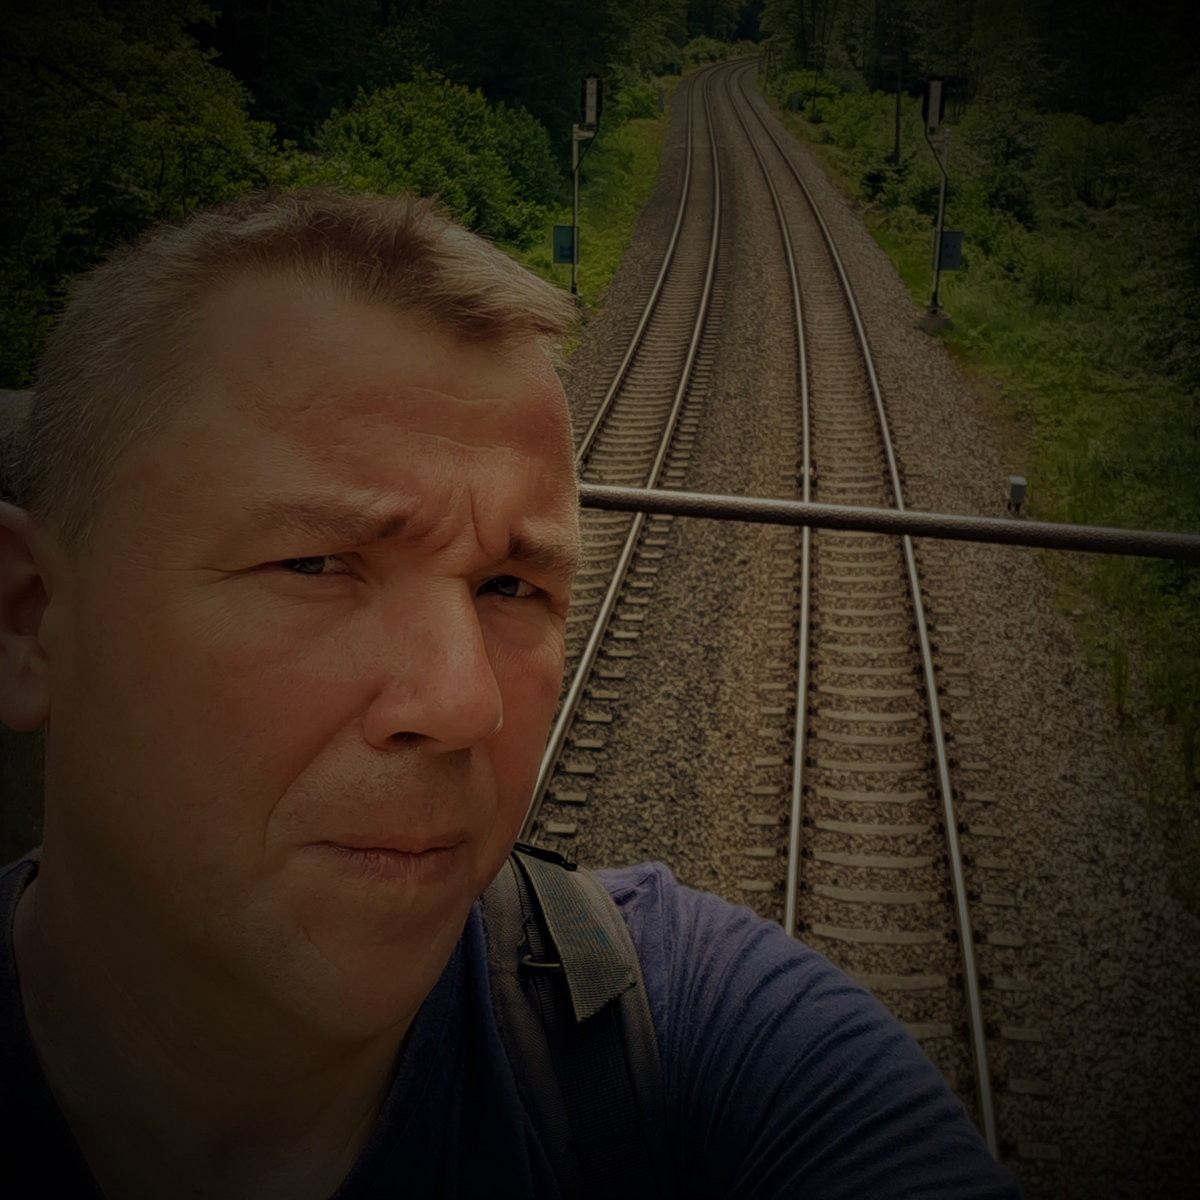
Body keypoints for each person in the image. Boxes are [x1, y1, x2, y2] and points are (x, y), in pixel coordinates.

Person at [0, 189, 1021, 1199]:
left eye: (509, 587)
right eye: (315, 565)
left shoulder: (711, 1039)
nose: (464, 701)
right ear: (30, 621)